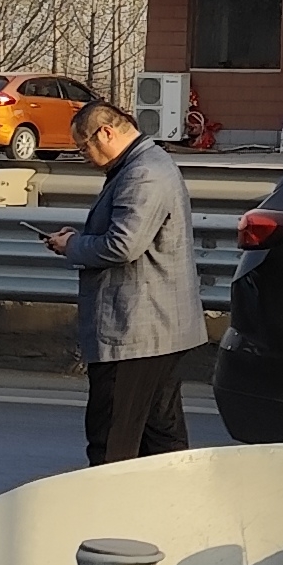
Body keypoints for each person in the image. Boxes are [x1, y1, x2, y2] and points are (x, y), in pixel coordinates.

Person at [45, 99, 208, 461]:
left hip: (136, 331)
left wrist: (72, 245)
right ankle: (168, 510)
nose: (84, 155)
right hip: (158, 329)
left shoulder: (142, 172)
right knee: (160, 435)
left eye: (83, 146)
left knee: (112, 439)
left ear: (106, 132)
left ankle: (111, 513)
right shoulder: (145, 164)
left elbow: (123, 246)